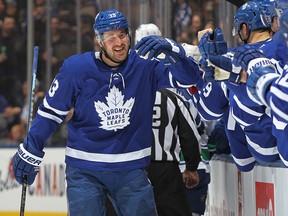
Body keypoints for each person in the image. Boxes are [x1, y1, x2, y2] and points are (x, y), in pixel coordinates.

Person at [12, 8, 201, 216]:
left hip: (131, 168)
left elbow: (191, 79)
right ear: (99, 40)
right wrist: (32, 148)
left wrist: (176, 52)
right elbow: (50, 112)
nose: (119, 43)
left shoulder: (145, 67)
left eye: (122, 35)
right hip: (85, 169)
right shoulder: (76, 68)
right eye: (111, 37)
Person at [135, 23, 201, 216]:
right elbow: (190, 134)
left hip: (131, 167)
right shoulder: (173, 94)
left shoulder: (125, 91)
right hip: (166, 168)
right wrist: (191, 167)